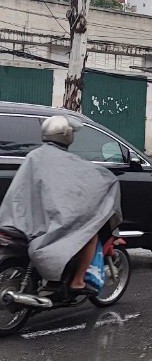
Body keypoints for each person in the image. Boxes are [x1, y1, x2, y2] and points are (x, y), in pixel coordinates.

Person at [0, 115, 122, 293]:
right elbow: (88, 185)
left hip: (21, 220)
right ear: (67, 136)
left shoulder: (34, 156)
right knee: (89, 234)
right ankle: (78, 281)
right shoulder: (70, 162)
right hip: (50, 224)